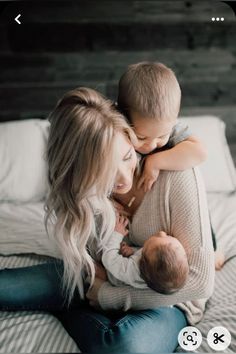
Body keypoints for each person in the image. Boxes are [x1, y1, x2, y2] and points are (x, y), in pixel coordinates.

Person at [0, 87, 214, 353]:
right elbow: (93, 261)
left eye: (127, 157)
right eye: (105, 172)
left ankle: (70, 307)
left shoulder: (178, 175)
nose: (124, 178)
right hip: (99, 279)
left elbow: (199, 282)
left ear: (132, 137)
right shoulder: (86, 193)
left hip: (166, 300)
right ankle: (72, 303)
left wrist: (107, 297)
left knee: (123, 347)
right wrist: (94, 202)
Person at [117, 61, 224, 269]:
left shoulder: (172, 132)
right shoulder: (117, 132)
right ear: (123, 117)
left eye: (161, 136)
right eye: (141, 136)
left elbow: (200, 152)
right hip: (138, 215)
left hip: (172, 210)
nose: (152, 144)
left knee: (197, 208)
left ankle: (211, 250)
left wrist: (155, 161)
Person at [101, 214, 189, 294]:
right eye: (169, 237)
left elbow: (109, 259)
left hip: (110, 274)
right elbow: (145, 252)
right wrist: (133, 251)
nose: (161, 232)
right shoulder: (151, 262)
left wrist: (117, 233)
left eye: (157, 237)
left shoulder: (131, 270)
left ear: (141, 261)